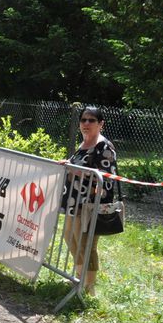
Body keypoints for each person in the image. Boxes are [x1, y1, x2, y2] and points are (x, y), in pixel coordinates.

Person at [61, 106, 117, 295]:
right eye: (83, 120)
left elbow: (107, 179)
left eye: (91, 120)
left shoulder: (104, 147)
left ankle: (89, 289)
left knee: (86, 244)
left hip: (91, 205)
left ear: (101, 124)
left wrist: (75, 171)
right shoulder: (83, 143)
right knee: (69, 237)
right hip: (73, 202)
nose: (86, 123)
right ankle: (79, 277)